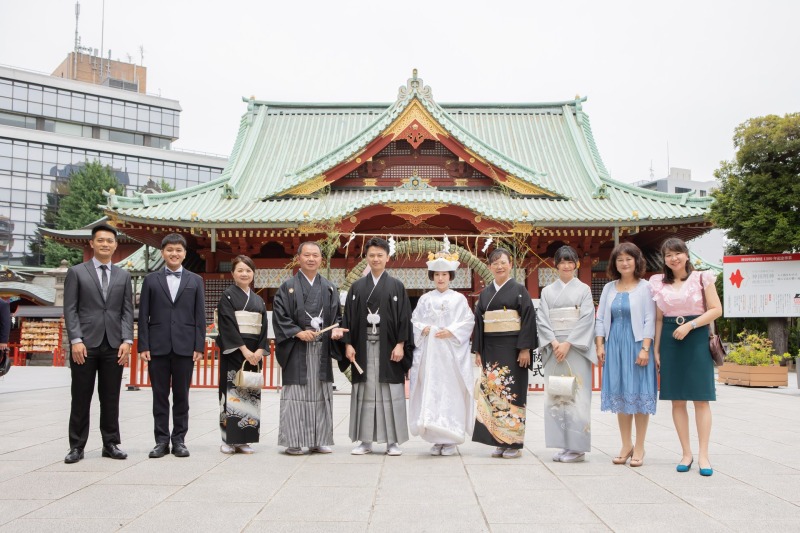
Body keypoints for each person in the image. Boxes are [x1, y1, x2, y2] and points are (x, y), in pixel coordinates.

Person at [63, 224, 133, 464]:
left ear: (115, 245)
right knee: (80, 396)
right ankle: (76, 446)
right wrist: (75, 339)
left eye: (110, 241)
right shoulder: (77, 272)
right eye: (101, 240)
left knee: (111, 397)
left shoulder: (123, 276)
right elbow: (70, 309)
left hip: (114, 344)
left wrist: (127, 340)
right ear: (92, 243)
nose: (105, 244)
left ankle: (110, 443)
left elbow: (127, 310)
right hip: (84, 345)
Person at [652, 237, 722, 476]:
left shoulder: (702, 278)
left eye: (677, 253)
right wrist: (657, 349)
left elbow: (716, 309)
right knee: (677, 399)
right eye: (668, 255)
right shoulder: (658, 283)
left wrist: (690, 325)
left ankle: (704, 455)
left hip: (696, 336)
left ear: (686, 255)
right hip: (670, 338)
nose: (674, 258)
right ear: (664, 259)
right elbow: (658, 319)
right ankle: (686, 453)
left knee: (701, 398)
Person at [273, 242, 346, 455]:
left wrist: (336, 330)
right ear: (299, 258)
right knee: (296, 395)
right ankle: (293, 441)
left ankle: (319, 440)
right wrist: (297, 332)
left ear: (321, 259)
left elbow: (337, 318)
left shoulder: (329, 288)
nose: (311, 259)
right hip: (296, 348)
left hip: (322, 349)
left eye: (315, 255)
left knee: (321, 394)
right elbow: (280, 316)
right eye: (307, 255)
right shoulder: (287, 287)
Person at [342, 237, 413, 456]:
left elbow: (404, 318)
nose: (375, 259)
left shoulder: (396, 286)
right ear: (366, 257)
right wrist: (348, 344)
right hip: (362, 346)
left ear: (387, 258)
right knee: (365, 392)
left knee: (390, 392)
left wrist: (401, 344)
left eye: (380, 255)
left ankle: (393, 441)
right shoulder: (357, 287)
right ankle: (365, 441)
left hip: (389, 347)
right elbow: (348, 318)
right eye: (371, 255)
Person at [138, 233, 206, 458]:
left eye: (178, 250)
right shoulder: (151, 280)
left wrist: (198, 346)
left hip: (185, 346)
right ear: (162, 253)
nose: (174, 254)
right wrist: (143, 345)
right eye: (169, 250)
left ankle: (179, 440)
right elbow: (143, 315)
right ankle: (160, 441)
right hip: (157, 346)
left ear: (184, 253)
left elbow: (200, 316)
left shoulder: (195, 280)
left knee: (181, 396)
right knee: (159, 396)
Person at [408, 245, 475, 456]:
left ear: (450, 276)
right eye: (437, 274)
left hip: (450, 356)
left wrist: (452, 331)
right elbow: (414, 321)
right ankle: (436, 438)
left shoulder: (459, 299)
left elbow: (468, 321)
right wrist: (423, 328)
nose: (440, 278)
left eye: (444, 274)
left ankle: (451, 437)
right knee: (432, 392)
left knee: (451, 392)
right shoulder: (425, 299)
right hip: (430, 355)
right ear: (432, 276)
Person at [596, 242, 657, 467]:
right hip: (615, 345)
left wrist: (645, 348)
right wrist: (600, 344)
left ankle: (639, 446)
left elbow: (650, 318)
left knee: (639, 393)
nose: (624, 263)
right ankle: (625, 444)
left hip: (637, 343)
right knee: (620, 392)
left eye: (628, 259)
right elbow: (601, 317)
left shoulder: (646, 287)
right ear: (614, 263)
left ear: (636, 261)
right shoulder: (608, 288)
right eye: (620, 259)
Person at [473, 248, 536, 459]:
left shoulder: (520, 290)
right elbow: (479, 323)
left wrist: (525, 348)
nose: (499, 266)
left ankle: (513, 443)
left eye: (503, 262)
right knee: (493, 394)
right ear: (489, 267)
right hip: (491, 349)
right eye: (495, 263)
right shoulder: (485, 294)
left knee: (513, 393)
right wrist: (478, 350)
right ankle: (498, 440)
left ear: (510, 265)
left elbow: (528, 319)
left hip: (513, 349)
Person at [537, 245, 597, 463]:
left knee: (577, 395)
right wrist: (554, 343)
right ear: (556, 265)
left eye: (570, 262)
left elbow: (587, 319)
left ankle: (577, 448)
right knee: (557, 395)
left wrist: (568, 343)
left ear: (576, 264)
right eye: (562, 262)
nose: (566, 266)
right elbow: (542, 319)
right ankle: (564, 445)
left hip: (575, 348)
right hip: (555, 348)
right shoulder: (547, 291)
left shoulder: (584, 290)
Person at [216, 255, 269, 454]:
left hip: (254, 354)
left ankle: (245, 439)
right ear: (233, 273)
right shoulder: (227, 296)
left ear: (253, 273)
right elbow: (227, 325)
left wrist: (259, 350)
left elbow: (263, 328)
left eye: (248, 270)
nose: (244, 274)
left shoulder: (258, 300)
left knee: (250, 393)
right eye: (240, 270)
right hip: (234, 352)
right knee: (230, 393)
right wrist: (244, 350)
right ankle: (228, 440)